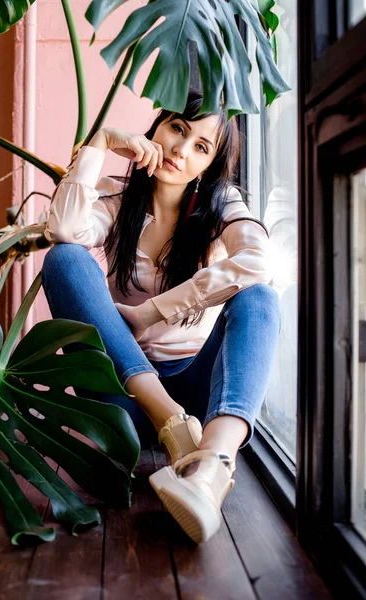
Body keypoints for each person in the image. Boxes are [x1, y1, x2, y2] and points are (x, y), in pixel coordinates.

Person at [41, 89, 281, 544]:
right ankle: (171, 424)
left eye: (201, 147)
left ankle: (212, 464)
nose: (180, 150)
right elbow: (62, 229)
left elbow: (258, 263)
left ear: (209, 166)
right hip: (122, 394)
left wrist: (150, 313)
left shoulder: (221, 206)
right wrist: (103, 142)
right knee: (65, 260)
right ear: (156, 127)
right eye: (177, 129)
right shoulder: (116, 196)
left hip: (193, 385)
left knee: (260, 298)